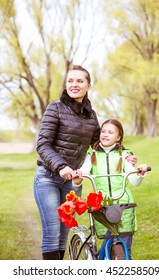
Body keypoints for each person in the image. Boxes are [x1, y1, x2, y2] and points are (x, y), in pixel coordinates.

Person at [33, 65, 137, 260]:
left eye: (80, 81)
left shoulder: (91, 115)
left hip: (73, 181)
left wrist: (126, 154)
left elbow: (102, 143)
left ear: (88, 85)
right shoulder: (55, 108)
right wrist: (61, 166)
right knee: (53, 231)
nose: (74, 84)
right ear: (66, 84)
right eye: (70, 80)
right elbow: (43, 144)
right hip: (48, 177)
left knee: (64, 232)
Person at [73, 118, 148, 259]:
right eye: (103, 131)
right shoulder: (92, 155)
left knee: (125, 248)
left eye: (110, 132)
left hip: (122, 204)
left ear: (118, 137)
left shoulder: (125, 155)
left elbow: (133, 179)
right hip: (101, 204)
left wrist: (139, 172)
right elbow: (84, 171)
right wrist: (78, 177)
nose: (105, 135)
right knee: (106, 237)